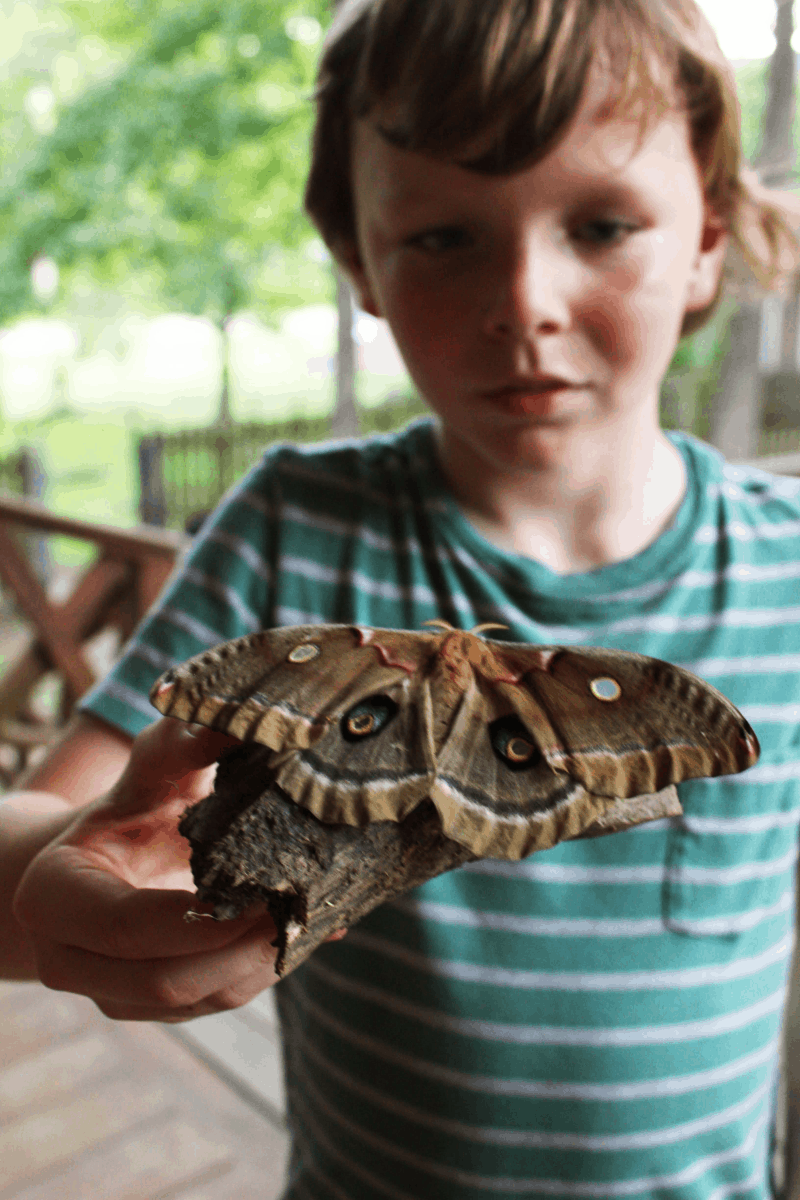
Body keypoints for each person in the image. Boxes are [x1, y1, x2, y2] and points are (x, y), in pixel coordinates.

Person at [4, 0, 800, 1195]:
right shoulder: (296, 526)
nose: (522, 300)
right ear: (356, 259)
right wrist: (55, 894)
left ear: (705, 241)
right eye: (441, 237)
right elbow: (58, 827)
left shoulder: (789, 567)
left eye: (601, 223)